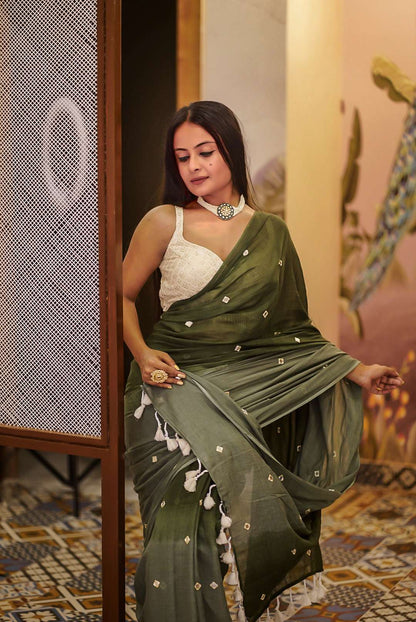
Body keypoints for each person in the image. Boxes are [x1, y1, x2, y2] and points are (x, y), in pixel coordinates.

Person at [123, 101, 403, 622]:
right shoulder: (165, 222)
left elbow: (293, 333)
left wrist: (357, 370)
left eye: (205, 152)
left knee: (231, 519)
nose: (194, 166)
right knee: (182, 513)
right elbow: (117, 296)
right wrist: (141, 354)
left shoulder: (271, 232)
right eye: (182, 157)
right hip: (170, 384)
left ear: (231, 150)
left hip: (248, 393)